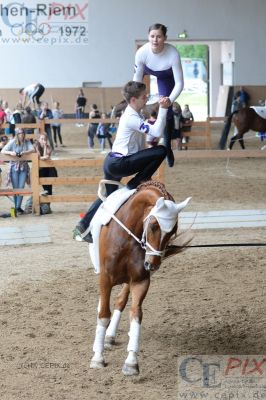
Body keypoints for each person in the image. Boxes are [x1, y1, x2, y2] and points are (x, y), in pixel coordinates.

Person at [73, 80, 169, 243]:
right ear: (133, 100)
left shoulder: (135, 113)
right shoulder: (131, 117)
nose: (146, 98)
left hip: (112, 161)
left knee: (107, 196)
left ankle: (82, 225)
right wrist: (164, 109)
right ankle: (134, 185)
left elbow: (148, 98)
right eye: (143, 97)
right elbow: (158, 131)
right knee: (162, 150)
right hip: (120, 163)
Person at [133, 23, 184, 167]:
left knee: (165, 111)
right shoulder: (142, 53)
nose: (155, 40)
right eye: (152, 36)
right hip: (146, 69)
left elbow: (180, 84)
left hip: (165, 76)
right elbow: (136, 81)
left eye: (159, 36)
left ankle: (167, 147)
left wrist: (169, 101)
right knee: (134, 100)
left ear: (165, 38)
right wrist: (137, 102)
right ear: (148, 37)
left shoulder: (173, 53)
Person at [1, 128, 34, 214]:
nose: (21, 135)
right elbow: (3, 150)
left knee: (21, 186)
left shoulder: (27, 141)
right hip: (14, 167)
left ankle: (17, 207)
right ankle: (17, 207)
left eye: (23, 133)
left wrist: (25, 152)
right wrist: (11, 153)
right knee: (16, 188)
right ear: (17, 134)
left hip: (23, 166)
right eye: (20, 133)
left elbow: (33, 149)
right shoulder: (12, 141)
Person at [34, 133, 57, 206]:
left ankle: (48, 205)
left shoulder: (49, 147)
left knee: (49, 187)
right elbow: (38, 158)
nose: (43, 140)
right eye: (42, 139)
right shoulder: (35, 147)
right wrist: (42, 158)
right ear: (38, 139)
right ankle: (45, 205)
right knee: (45, 188)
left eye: (45, 139)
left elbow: (45, 157)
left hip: (49, 169)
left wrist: (44, 147)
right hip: (40, 170)